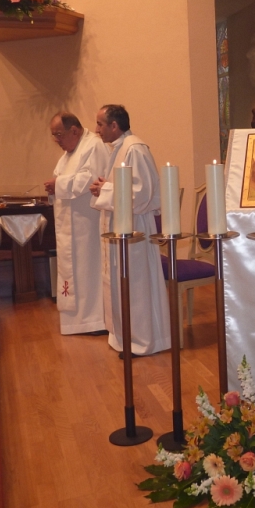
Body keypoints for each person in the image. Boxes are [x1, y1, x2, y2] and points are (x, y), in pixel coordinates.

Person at [90, 104, 171, 356]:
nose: (97, 130)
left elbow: (143, 193)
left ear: (115, 126)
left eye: (100, 124)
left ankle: (143, 340)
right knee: (120, 282)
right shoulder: (119, 149)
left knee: (136, 285)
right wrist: (106, 186)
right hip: (122, 225)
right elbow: (123, 186)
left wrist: (105, 189)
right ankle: (124, 337)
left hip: (136, 229)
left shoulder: (135, 149)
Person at [44, 112, 110, 335]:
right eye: (54, 136)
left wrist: (59, 184)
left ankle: (96, 321)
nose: (57, 141)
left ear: (74, 130)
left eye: (59, 135)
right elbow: (62, 177)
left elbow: (92, 178)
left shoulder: (94, 146)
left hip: (88, 225)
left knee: (87, 270)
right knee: (75, 272)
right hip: (70, 226)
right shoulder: (67, 154)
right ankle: (78, 321)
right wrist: (54, 187)